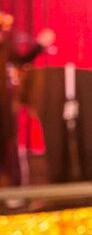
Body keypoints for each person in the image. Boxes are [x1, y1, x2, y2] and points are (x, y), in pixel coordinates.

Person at [0, 13, 54, 186]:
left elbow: (20, 61)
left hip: (2, 101)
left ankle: (6, 180)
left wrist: (40, 45)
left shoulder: (5, 44)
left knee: (5, 140)